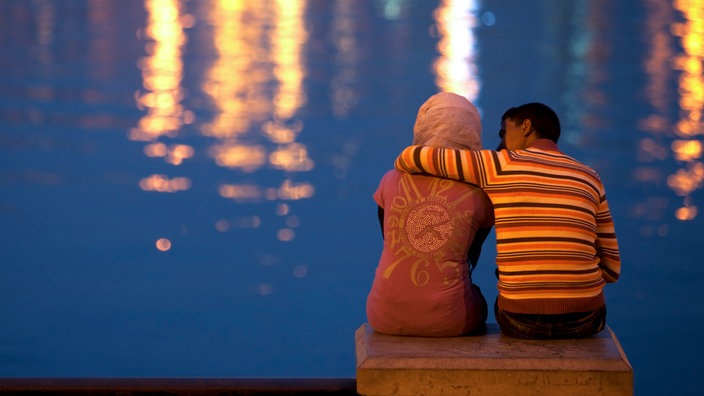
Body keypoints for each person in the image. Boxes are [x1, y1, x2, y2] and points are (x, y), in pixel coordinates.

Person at [394, 102, 621, 339]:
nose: (501, 144)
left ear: (526, 127)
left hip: (522, 321)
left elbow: (411, 156)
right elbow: (612, 269)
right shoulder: (590, 177)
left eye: (504, 133)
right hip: (585, 320)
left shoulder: (499, 164)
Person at [366, 92, 494, 337]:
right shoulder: (479, 193)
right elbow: (470, 255)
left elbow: (390, 239)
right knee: (477, 297)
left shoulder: (391, 179)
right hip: (449, 320)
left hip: (381, 315)